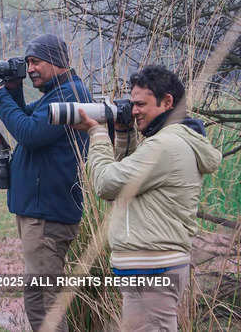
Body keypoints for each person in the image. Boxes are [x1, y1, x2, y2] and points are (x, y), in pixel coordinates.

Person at [73, 65, 222, 331]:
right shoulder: (167, 142)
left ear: (167, 102)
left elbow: (108, 184)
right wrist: (123, 134)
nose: (134, 111)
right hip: (151, 267)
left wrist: (96, 135)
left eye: (141, 104)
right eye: (132, 105)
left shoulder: (165, 146)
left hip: (153, 269)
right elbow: (127, 184)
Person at [0, 34, 92, 331]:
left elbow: (30, 133)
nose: (31, 68)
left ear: (57, 61)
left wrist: (0, 97)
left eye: (36, 61)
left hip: (47, 214)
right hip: (40, 211)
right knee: (39, 296)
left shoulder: (69, 95)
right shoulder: (59, 92)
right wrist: (11, 91)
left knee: (44, 301)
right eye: (27, 63)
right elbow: (30, 118)